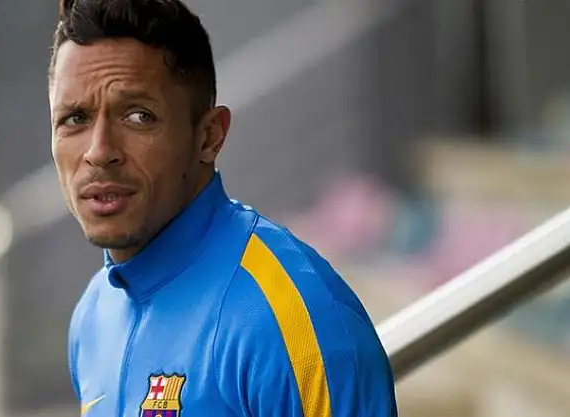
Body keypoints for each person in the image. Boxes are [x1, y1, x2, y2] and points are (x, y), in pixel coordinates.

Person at [48, 0, 397, 415]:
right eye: (74, 119)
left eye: (139, 116)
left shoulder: (289, 318)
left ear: (209, 137)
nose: (99, 151)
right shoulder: (93, 314)